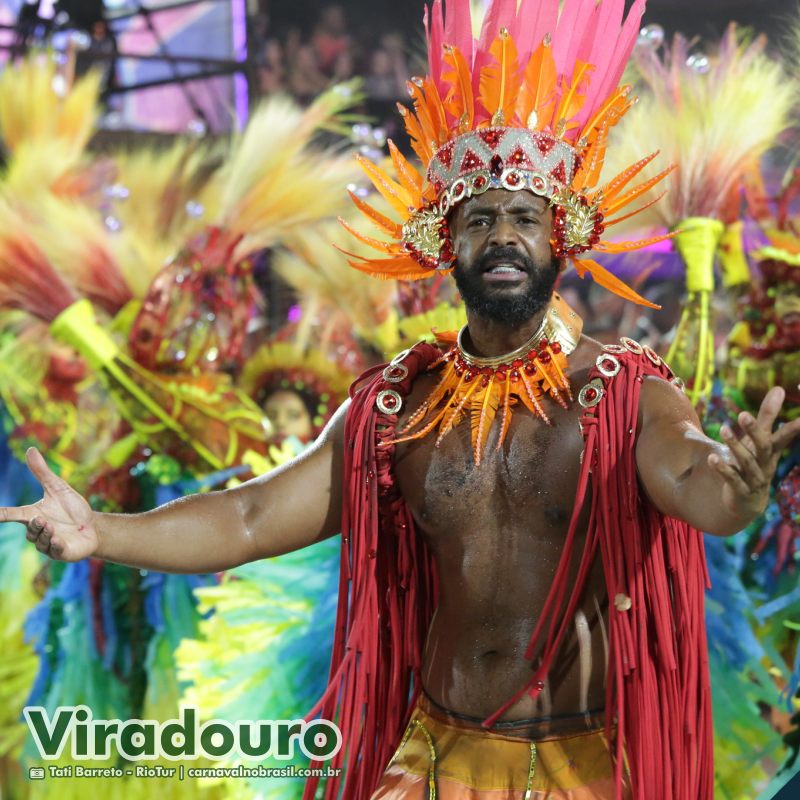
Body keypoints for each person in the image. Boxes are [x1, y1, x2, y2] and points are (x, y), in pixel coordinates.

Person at [4, 3, 800, 800]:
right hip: (433, 760)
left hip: (579, 765)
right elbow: (249, 519)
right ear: (443, 246)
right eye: (478, 218)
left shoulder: (623, 394)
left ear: (560, 242)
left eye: (525, 217)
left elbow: (699, 486)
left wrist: (741, 488)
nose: (502, 236)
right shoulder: (395, 408)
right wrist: (98, 532)